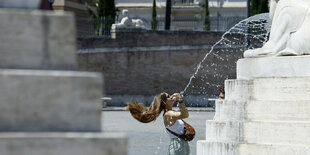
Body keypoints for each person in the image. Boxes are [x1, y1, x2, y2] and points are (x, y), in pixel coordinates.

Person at [126, 92, 190, 155]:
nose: (171, 97)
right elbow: (185, 114)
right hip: (177, 146)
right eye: (168, 97)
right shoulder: (168, 114)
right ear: (164, 102)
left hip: (181, 144)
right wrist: (180, 101)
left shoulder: (171, 113)